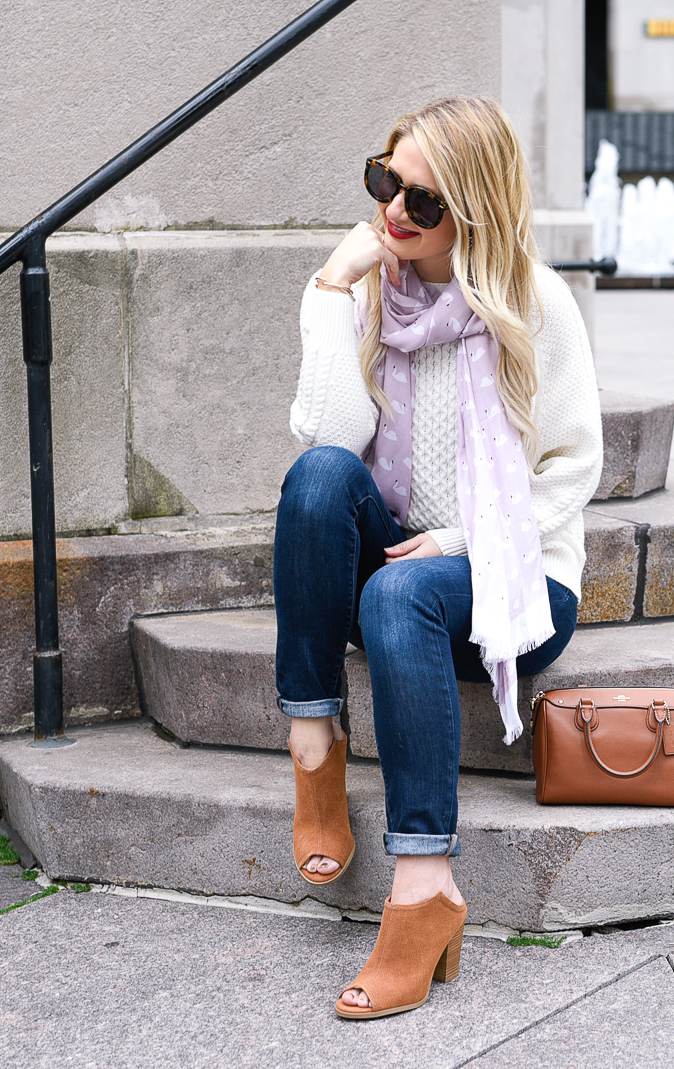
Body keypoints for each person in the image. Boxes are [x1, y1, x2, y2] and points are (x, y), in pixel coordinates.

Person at [274, 96, 602, 1019]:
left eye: (422, 202)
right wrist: (331, 293)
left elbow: (576, 463)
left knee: (401, 593)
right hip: (404, 573)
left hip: (516, 579)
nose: (393, 212)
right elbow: (328, 433)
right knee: (317, 480)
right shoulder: (376, 287)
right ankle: (314, 741)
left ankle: (423, 889)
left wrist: (462, 540)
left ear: (475, 209)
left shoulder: (534, 303)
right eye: (386, 181)